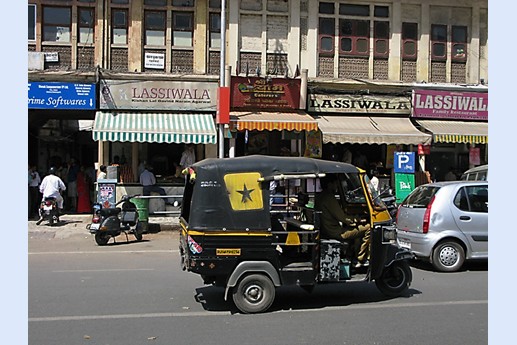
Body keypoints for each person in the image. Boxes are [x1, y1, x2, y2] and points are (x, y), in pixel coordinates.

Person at [314, 175, 371, 267]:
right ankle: (360, 259)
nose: (336, 186)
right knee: (369, 228)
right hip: (335, 232)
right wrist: (357, 220)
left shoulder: (320, 196)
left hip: (327, 230)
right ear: (330, 184)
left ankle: (350, 255)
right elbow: (343, 218)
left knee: (356, 231)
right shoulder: (329, 198)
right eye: (336, 184)